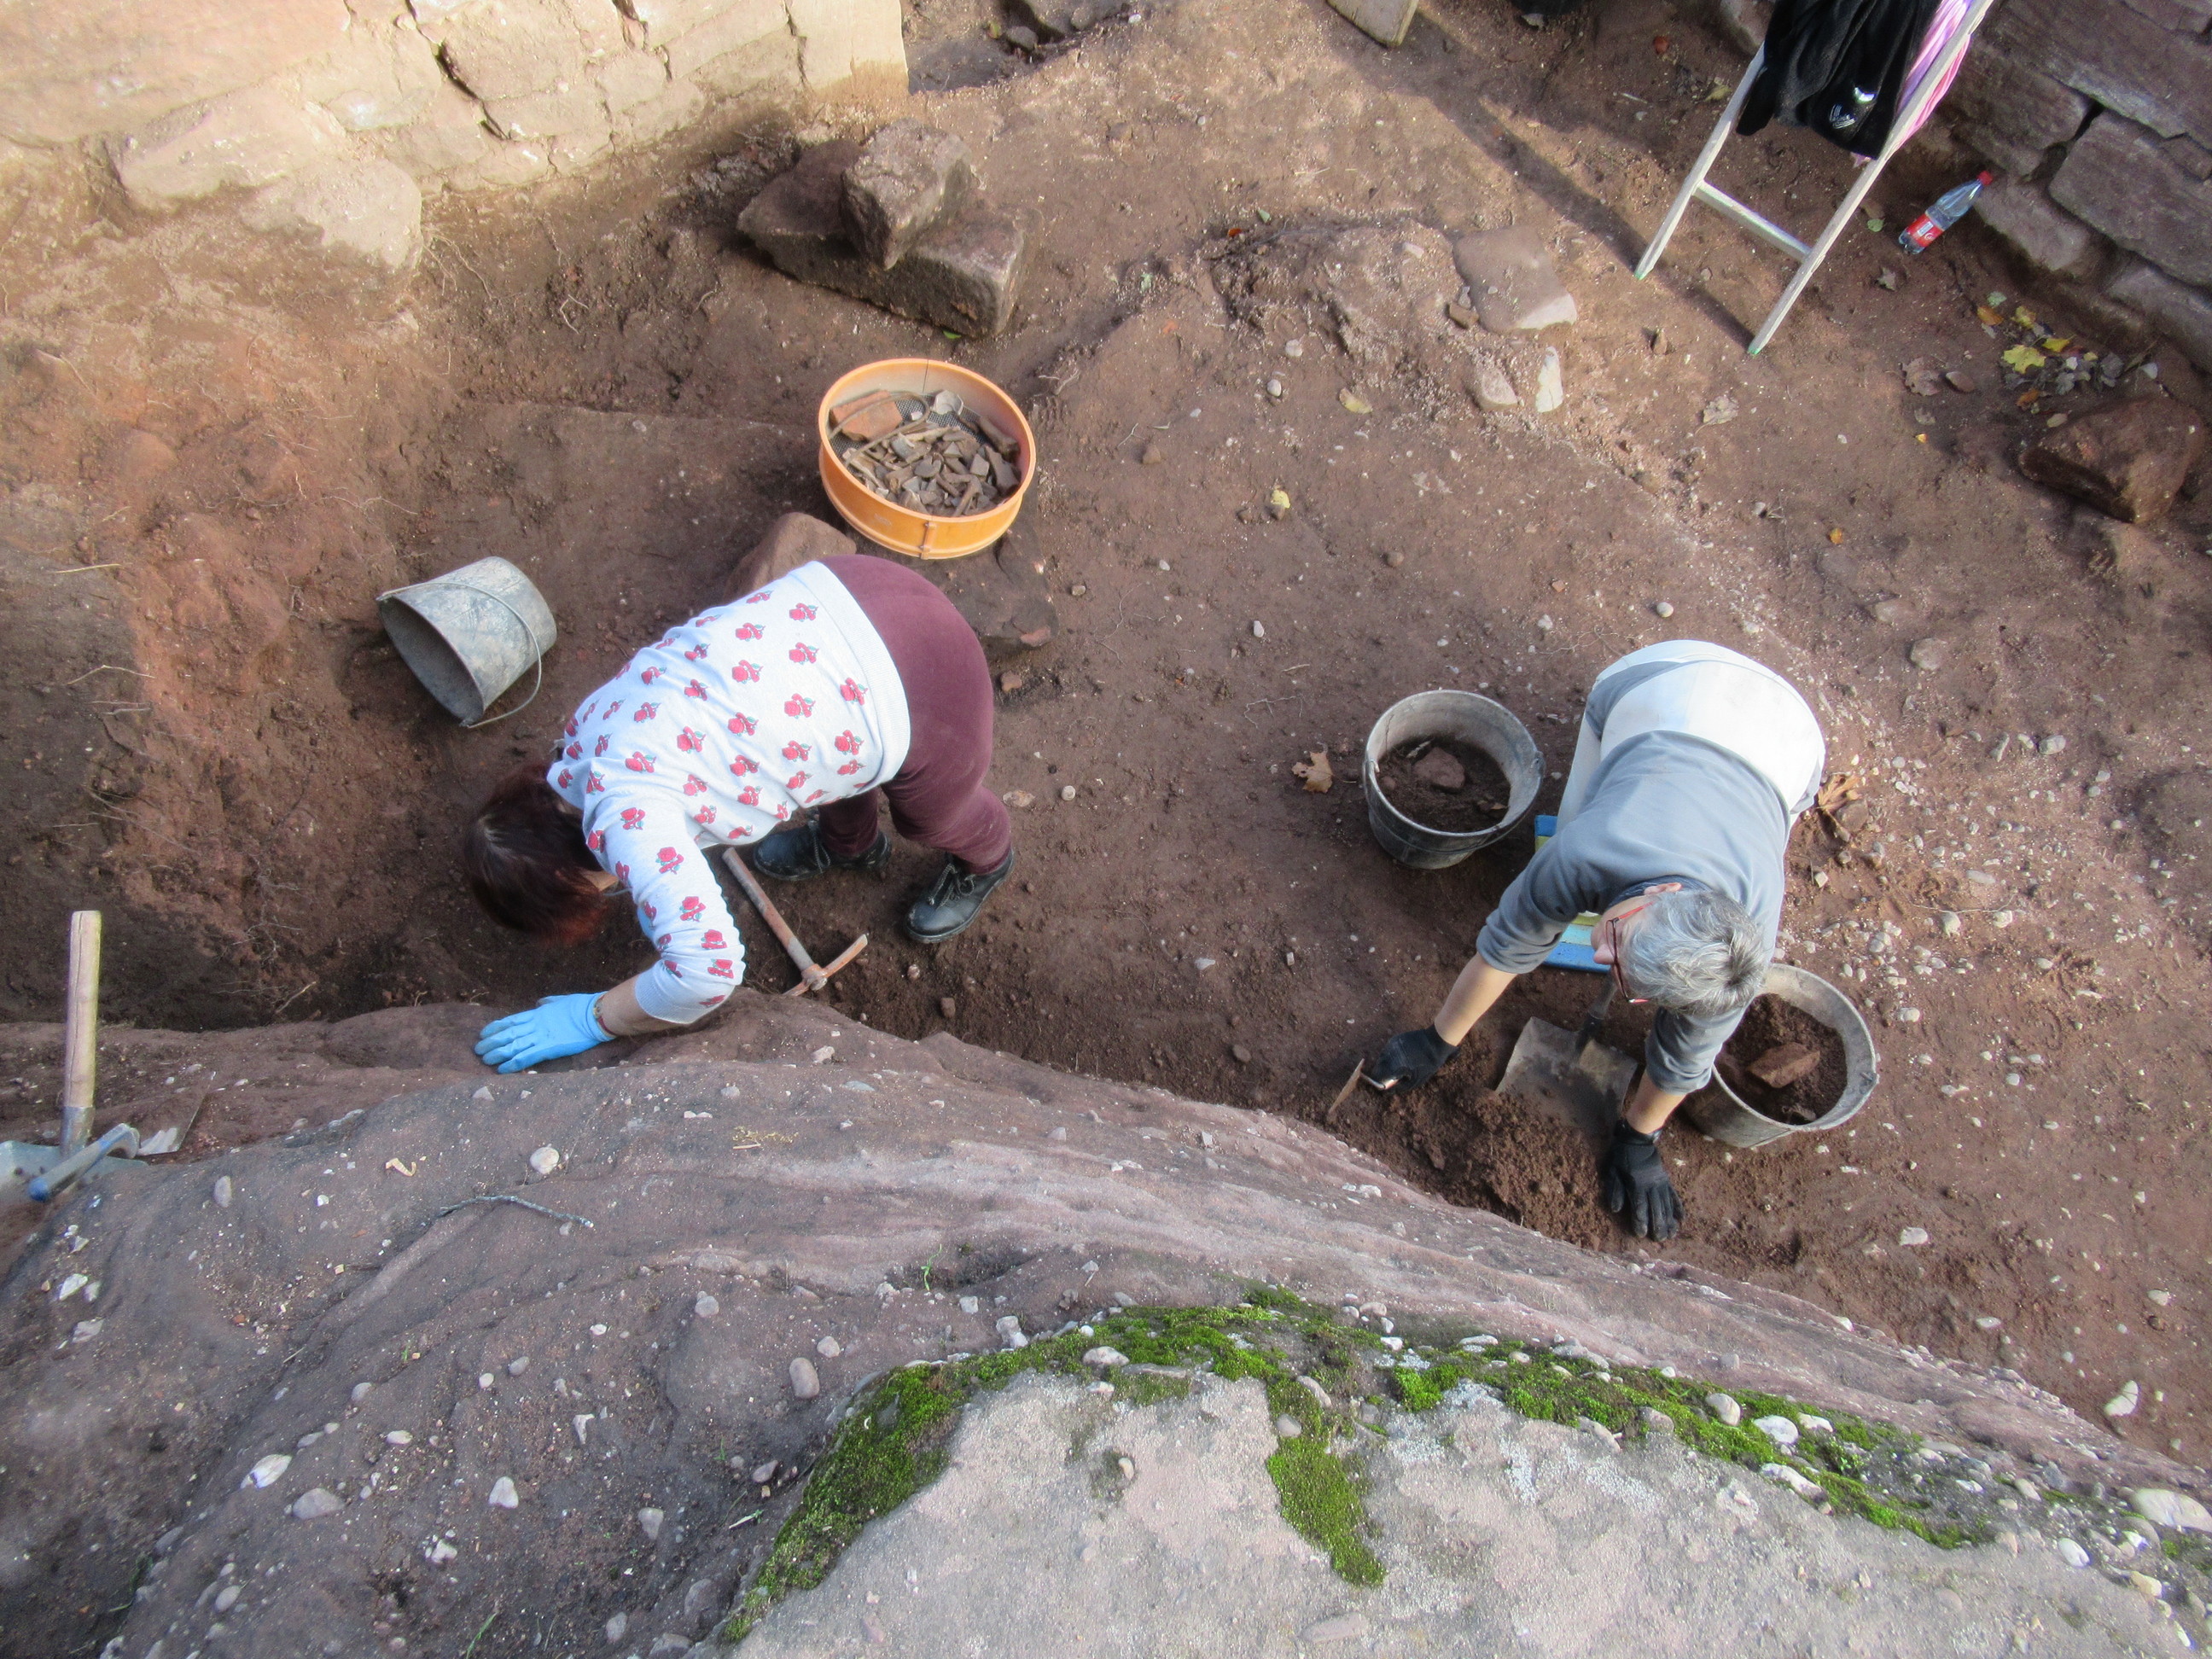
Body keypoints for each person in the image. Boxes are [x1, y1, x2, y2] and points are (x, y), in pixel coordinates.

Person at [463, 516, 1014, 1074]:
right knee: (815, 751)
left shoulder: (628, 819)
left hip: (928, 683)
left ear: (568, 876)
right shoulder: (583, 739)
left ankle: (988, 859)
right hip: (852, 594)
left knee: (932, 817)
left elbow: (707, 972)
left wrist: (595, 1019)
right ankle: (850, 843)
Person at [1368, 640, 1827, 1242]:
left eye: (1629, 979)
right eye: (1617, 937)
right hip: (1667, 685)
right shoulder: (1589, 851)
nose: (1600, 954)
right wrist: (1438, 1040)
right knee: (1577, 811)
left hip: (1787, 751)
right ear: (1659, 891)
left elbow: (1687, 1057)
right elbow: (1505, 949)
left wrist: (1639, 1138)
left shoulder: (1735, 962)